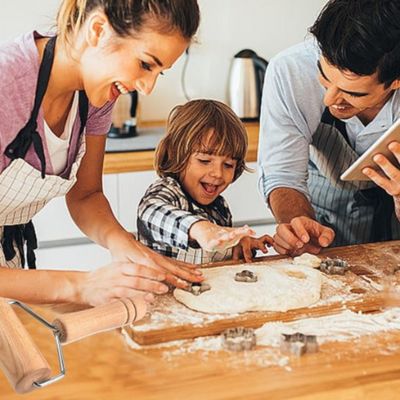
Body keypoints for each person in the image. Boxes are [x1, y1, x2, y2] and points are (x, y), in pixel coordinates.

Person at [0, 0, 204, 310]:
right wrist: (81, 286)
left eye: (158, 74)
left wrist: (128, 247)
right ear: (98, 30)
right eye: (146, 64)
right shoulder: (7, 86)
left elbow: (86, 195)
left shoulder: (96, 93)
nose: (146, 87)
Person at [258, 0, 400, 256]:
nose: (329, 99)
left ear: (395, 82)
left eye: (350, 92)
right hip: (323, 214)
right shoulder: (290, 71)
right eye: (324, 77)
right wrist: (299, 227)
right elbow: (283, 175)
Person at [137, 99, 273, 264]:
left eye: (228, 165)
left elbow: (215, 252)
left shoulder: (220, 208)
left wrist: (237, 244)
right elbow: (150, 210)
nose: (218, 173)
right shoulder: (168, 191)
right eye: (204, 160)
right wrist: (198, 228)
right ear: (176, 154)